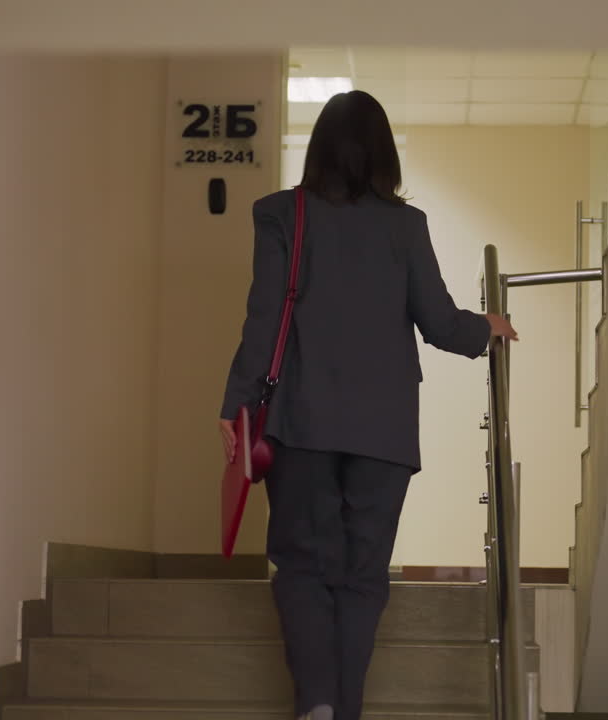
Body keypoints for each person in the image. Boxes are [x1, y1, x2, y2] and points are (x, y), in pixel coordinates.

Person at [218, 90, 518, 720]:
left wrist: (238, 402)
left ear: (318, 146)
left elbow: (262, 318)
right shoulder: (405, 225)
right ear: (384, 153)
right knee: (362, 577)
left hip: (300, 422)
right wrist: (486, 327)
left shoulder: (281, 214)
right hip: (383, 431)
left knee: (303, 569)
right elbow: (438, 323)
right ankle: (344, 710)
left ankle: (318, 705)